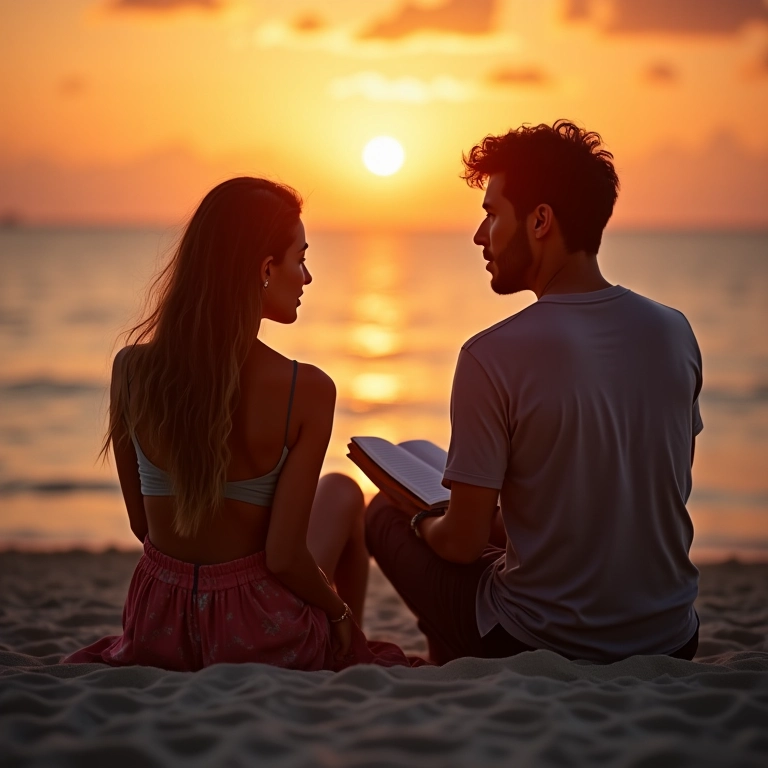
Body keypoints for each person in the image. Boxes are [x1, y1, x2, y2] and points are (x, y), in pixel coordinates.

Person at [365, 120, 702, 664]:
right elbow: (655, 491)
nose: (480, 236)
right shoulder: (674, 331)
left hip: (538, 641)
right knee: (420, 456)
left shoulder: (491, 354)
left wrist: (422, 518)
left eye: (492, 214)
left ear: (540, 220)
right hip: (672, 637)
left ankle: (450, 648)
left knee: (383, 511)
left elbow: (461, 544)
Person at [62, 177, 422, 672]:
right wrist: (334, 609)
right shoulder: (308, 390)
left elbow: (143, 525)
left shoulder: (130, 370)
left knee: (331, 492)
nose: (308, 276)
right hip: (255, 630)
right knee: (341, 491)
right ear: (266, 269)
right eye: (300, 259)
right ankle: (345, 644)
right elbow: (282, 557)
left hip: (159, 624)